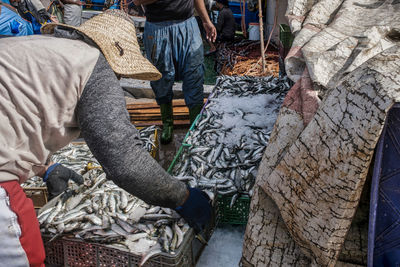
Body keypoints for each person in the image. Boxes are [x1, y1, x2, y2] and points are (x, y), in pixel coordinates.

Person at [0, 10, 211, 266]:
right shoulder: (92, 66)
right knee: (30, 256)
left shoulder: (36, 48)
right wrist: (183, 197)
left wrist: (45, 169)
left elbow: (15, 115)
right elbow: (126, 164)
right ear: (117, 56)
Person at [133, 0, 217, 144]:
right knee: (161, 78)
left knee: (194, 74)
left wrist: (206, 20)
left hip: (188, 25)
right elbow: (137, 1)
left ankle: (194, 128)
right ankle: (168, 124)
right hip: (157, 29)